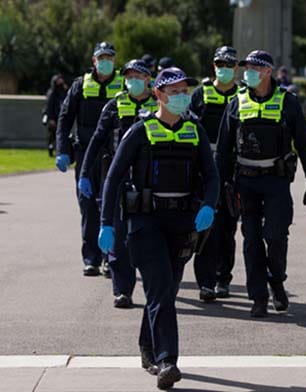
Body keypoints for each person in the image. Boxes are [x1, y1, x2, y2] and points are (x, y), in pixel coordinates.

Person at [97, 67, 219, 390]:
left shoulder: (195, 130)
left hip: (181, 222)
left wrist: (209, 204)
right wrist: (106, 224)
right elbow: (113, 178)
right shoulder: (140, 131)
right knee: (161, 286)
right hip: (144, 223)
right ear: (159, 95)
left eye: (185, 90)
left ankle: (147, 346)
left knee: (166, 290)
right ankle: (168, 361)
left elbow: (212, 175)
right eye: (175, 91)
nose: (182, 96)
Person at [217, 50, 306, 318]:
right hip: (245, 182)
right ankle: (258, 297)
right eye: (246, 67)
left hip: (276, 181)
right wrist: (221, 185)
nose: (247, 72)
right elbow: (223, 150)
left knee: (275, 236)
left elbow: (305, 145)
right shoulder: (236, 103)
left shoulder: (288, 102)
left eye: (253, 68)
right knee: (251, 241)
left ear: (267, 72)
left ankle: (276, 279)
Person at [78, 59, 157, 308]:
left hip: (150, 180)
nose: (132, 80)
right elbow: (97, 141)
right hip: (118, 177)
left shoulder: (160, 104)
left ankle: (158, 286)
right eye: (128, 76)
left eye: (138, 76)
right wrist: (83, 173)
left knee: (148, 237)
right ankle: (122, 289)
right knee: (119, 236)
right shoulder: (114, 105)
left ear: (148, 78)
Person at [55, 41, 124, 276]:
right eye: (101, 57)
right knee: (87, 206)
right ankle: (91, 258)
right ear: (94, 60)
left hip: (115, 155)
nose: (105, 61)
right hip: (86, 154)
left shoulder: (124, 84)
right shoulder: (79, 85)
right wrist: (62, 149)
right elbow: (64, 119)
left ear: (114, 60)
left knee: (111, 205)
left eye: (109, 57)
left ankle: (110, 257)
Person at [189, 46, 240, 302]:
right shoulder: (200, 94)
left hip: (232, 168)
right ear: (213, 66)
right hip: (204, 168)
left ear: (236, 68)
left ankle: (223, 278)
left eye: (229, 64)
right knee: (206, 227)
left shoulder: (243, 96)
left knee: (227, 229)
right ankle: (206, 283)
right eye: (220, 63)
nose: (224, 68)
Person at [43, 73, 68, 157]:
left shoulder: (62, 91)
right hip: (54, 117)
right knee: (52, 135)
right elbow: (49, 106)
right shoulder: (52, 92)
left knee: (60, 134)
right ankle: (51, 148)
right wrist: (51, 118)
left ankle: (59, 150)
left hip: (60, 116)